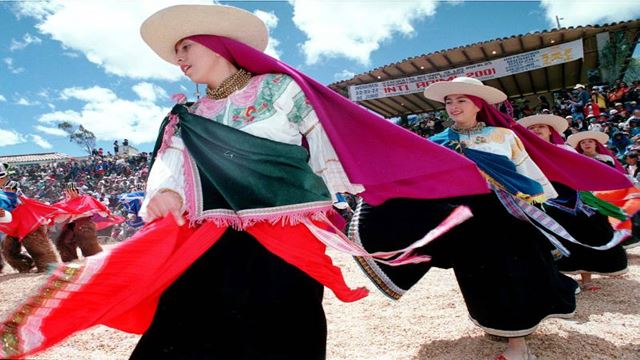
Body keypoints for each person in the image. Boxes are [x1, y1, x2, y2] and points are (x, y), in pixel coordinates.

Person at [0, 5, 492, 359]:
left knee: (283, 316)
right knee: (188, 315)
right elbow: (171, 164)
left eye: (186, 48)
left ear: (217, 45)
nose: (180, 60)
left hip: (287, 230)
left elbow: (327, 143)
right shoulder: (189, 114)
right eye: (177, 53)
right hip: (211, 232)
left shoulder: (281, 92)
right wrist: (164, 191)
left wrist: (354, 186)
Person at [350, 77, 631, 360]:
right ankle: (497, 324)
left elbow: (530, 176)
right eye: (449, 101)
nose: (453, 106)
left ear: (477, 104)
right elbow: (416, 179)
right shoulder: (437, 142)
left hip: (508, 218)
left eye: (461, 100)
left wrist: (539, 206)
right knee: (479, 277)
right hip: (467, 223)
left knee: (514, 274)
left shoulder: (504, 137)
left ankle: (518, 347)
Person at [517, 115, 628, 291]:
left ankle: (587, 279)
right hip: (540, 200)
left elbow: (580, 172)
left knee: (584, 233)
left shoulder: (565, 149)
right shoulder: (522, 152)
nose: (536, 130)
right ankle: (556, 280)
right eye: (531, 128)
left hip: (572, 198)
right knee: (546, 239)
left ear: (550, 131)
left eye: (541, 127)